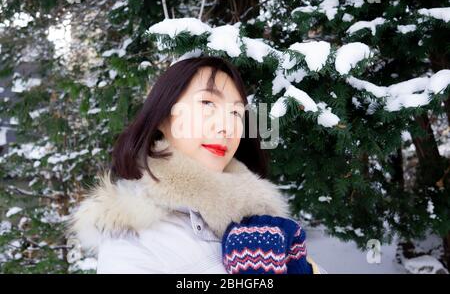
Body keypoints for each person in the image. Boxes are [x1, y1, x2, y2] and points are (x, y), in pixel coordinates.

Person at [65, 56, 324, 274]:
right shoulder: (133, 241)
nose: (226, 125)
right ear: (163, 117)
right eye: (208, 104)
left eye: (236, 113)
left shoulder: (261, 218)